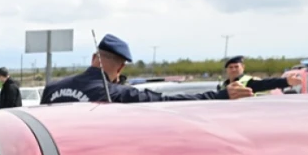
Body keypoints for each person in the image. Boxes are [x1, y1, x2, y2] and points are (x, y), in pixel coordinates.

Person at [41, 34, 254, 105]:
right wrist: (219, 96)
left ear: (94, 59)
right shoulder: (115, 93)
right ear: (121, 66)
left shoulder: (52, 88)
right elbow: (167, 101)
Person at [219, 55, 302, 95]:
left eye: (236, 67)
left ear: (243, 67)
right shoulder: (222, 86)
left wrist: (285, 81)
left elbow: (266, 83)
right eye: (230, 67)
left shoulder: (250, 82)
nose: (233, 69)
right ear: (227, 70)